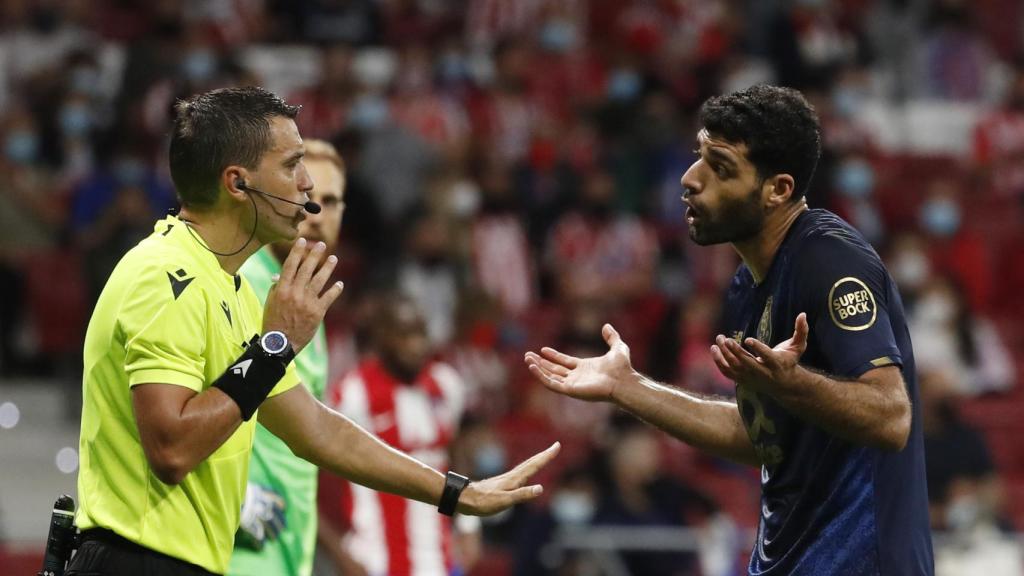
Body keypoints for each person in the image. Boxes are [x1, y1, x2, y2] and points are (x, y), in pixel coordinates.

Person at [68, 86, 559, 576]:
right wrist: (274, 347)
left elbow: (318, 430)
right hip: (134, 562)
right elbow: (171, 450)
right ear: (238, 183)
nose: (305, 185)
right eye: (290, 165)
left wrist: (456, 492)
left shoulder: (232, 289)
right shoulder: (165, 274)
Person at [525, 84, 934, 575]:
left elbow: (891, 418)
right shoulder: (747, 284)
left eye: (720, 168)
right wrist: (626, 388)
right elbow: (758, 438)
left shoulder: (828, 259)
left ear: (778, 189)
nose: (690, 179)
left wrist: (793, 383)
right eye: (699, 156)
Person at [226, 138, 346, 576]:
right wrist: (231, 498)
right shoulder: (241, 281)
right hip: (237, 545)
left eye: (330, 201)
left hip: (289, 545)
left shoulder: (304, 299)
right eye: (307, 197)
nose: (316, 212)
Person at [323, 293, 481, 576]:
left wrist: (468, 525)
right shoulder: (351, 396)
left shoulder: (446, 386)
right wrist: (341, 554)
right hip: (372, 559)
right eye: (405, 335)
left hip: (437, 560)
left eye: (421, 333)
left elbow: (455, 457)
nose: (417, 345)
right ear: (382, 336)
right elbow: (314, 483)